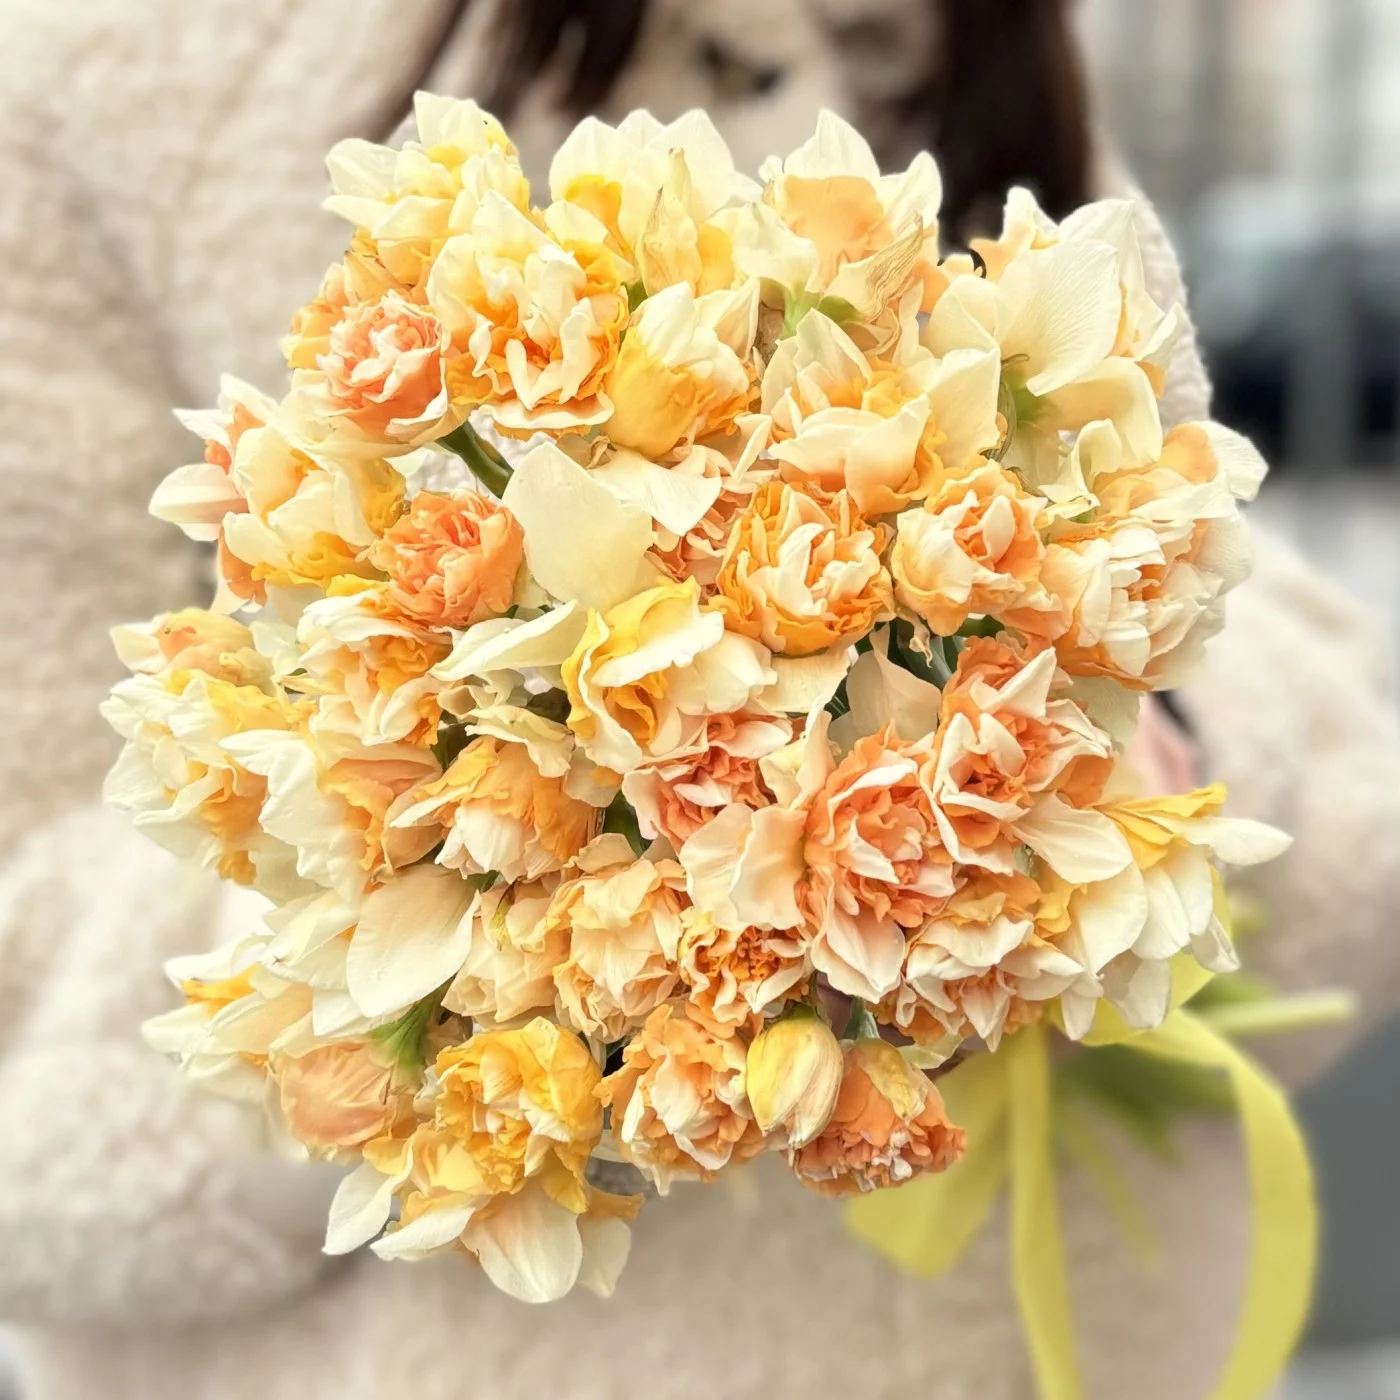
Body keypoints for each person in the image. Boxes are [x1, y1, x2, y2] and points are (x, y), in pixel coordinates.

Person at [1, 2, 1397, 1397]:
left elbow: (1215, 567)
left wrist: (1136, 738)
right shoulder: (112, 67)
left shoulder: (935, 30)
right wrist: (496, 900)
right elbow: (32, 1028)